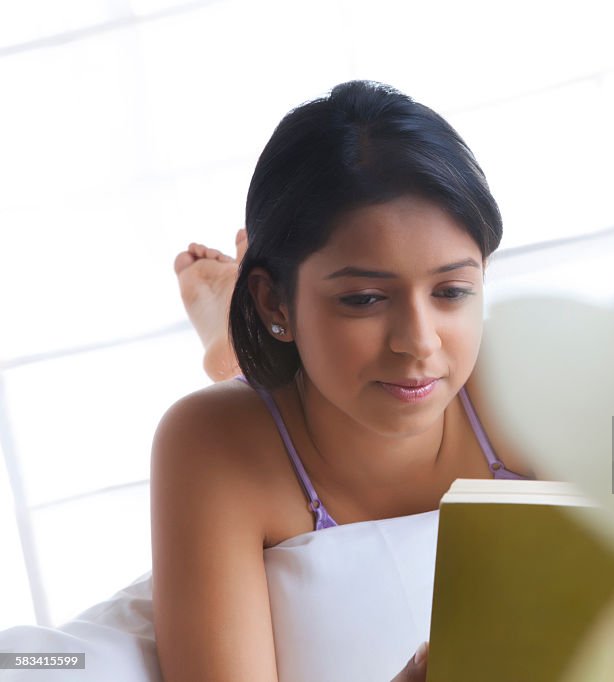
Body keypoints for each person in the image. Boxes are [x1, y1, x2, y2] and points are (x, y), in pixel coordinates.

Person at [155, 80, 536, 682]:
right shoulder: (209, 441)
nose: (420, 340)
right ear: (274, 300)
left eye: (452, 291)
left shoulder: (529, 374)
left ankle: (230, 341)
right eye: (363, 298)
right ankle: (235, 337)